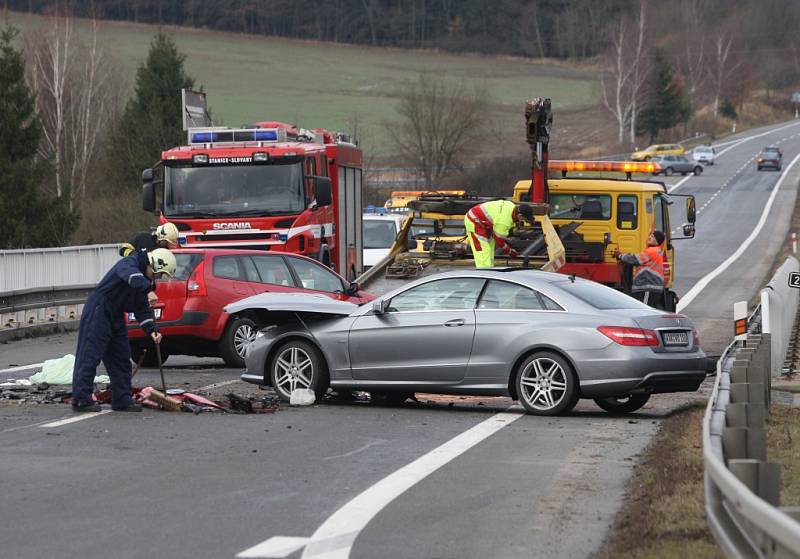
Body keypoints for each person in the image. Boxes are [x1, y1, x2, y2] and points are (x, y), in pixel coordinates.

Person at [71, 248, 177, 412]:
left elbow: (142, 310)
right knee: (90, 355)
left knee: (121, 358)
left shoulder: (146, 283)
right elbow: (130, 276)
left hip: (116, 314)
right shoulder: (130, 263)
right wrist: (147, 290)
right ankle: (81, 399)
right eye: (158, 274)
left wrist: (152, 329)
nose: (157, 278)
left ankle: (121, 398)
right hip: (99, 309)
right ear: (154, 264)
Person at [464, 200, 531, 268]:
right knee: (483, 250)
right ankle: (484, 271)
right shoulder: (504, 221)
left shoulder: (511, 206)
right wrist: (511, 252)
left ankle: (490, 269)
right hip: (474, 221)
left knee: (490, 248)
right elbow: (500, 242)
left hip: (483, 223)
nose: (522, 221)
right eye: (524, 219)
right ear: (520, 215)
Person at [616, 230, 667, 307]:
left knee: (645, 311)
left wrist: (620, 256)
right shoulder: (656, 251)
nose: (649, 237)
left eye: (653, 237)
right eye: (650, 235)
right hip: (651, 287)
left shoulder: (651, 251)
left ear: (657, 241)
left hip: (648, 287)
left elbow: (634, 259)